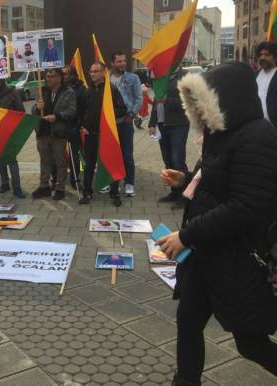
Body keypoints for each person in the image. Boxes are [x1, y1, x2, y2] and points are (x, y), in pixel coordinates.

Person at [156, 62, 277, 385]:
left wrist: (186, 235)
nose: (198, 110)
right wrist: (185, 181)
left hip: (239, 259)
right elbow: (212, 184)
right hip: (207, 253)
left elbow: (245, 207)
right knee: (188, 319)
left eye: (202, 100)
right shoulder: (219, 132)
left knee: (250, 343)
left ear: (224, 98)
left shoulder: (259, 137)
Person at [78, 62, 126, 207]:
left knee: (111, 164)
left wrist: (108, 115)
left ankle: (114, 192)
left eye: (96, 71)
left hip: (107, 135)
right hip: (91, 134)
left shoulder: (111, 90)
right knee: (89, 165)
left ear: (104, 72)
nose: (92, 74)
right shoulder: (87, 92)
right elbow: (81, 112)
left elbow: (122, 109)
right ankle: (87, 193)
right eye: (91, 71)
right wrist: (83, 126)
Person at [31, 67, 76, 201]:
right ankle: (44, 186)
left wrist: (57, 116)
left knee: (60, 161)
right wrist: (37, 108)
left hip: (58, 132)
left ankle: (60, 188)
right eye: (47, 76)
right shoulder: (42, 91)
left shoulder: (68, 92)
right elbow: (33, 110)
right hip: (43, 131)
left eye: (52, 76)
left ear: (59, 78)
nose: (48, 79)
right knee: (44, 160)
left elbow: (72, 111)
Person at [148, 67, 190, 208]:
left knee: (178, 161)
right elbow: (156, 100)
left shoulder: (185, 76)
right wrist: (152, 122)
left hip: (178, 124)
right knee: (168, 161)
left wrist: (167, 100)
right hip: (162, 125)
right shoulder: (161, 75)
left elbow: (189, 102)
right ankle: (174, 192)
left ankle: (185, 196)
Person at [110, 51, 142, 197]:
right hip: (110, 124)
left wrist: (131, 114)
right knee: (112, 155)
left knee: (127, 155)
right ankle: (112, 182)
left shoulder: (133, 78)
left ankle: (129, 183)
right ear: (112, 63)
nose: (122, 63)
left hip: (125, 122)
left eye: (124, 61)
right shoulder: (106, 78)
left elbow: (138, 98)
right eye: (119, 61)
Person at [62, 65, 85, 191]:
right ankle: (58, 178)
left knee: (74, 155)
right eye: (62, 74)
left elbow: (83, 108)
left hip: (74, 126)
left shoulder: (81, 89)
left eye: (66, 74)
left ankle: (75, 179)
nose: (63, 76)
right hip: (60, 125)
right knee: (58, 154)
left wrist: (79, 124)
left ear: (73, 75)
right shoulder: (59, 88)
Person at [255, 41, 277, 126]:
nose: (263, 57)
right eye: (261, 55)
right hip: (257, 125)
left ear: (275, 57)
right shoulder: (255, 75)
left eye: (267, 55)